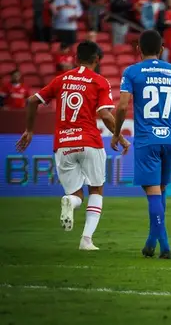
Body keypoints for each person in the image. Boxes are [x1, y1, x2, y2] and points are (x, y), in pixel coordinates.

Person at [15, 41, 130, 251]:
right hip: (89, 141)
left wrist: (29, 130)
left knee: (76, 194)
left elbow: (32, 100)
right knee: (96, 188)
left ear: (76, 59)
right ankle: (86, 240)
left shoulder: (61, 80)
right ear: (97, 59)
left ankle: (69, 201)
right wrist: (119, 137)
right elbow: (105, 114)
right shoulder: (99, 81)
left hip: (63, 144)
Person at [112, 30, 171, 259]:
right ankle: (150, 243)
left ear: (138, 49)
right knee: (161, 189)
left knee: (153, 191)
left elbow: (123, 107)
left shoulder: (131, 72)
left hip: (147, 139)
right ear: (162, 49)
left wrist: (116, 133)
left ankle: (164, 247)